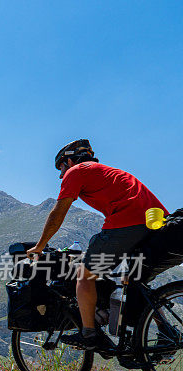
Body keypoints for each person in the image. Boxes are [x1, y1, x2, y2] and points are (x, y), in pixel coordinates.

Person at [26, 139, 168, 350]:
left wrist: (39, 246)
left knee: (84, 274)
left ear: (70, 160)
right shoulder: (106, 172)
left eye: (61, 168)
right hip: (157, 223)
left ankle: (89, 334)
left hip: (128, 222)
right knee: (133, 281)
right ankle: (166, 332)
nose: (60, 175)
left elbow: (58, 214)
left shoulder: (77, 171)